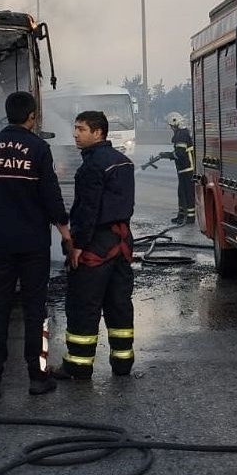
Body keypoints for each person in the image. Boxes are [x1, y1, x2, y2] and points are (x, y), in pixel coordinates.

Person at [0, 91, 73, 398]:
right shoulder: (39, 149)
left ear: (7, 114)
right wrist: (65, 232)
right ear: (31, 116)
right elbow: (51, 196)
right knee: (34, 309)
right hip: (32, 244)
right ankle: (38, 378)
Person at [53, 110, 136, 381]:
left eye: (81, 129)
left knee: (83, 304)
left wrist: (76, 245)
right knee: (119, 303)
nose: (75, 134)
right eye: (75, 129)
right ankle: (123, 363)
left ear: (98, 132)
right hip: (121, 242)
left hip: (96, 245)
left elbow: (86, 211)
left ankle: (78, 365)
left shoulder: (91, 166)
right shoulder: (123, 162)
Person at [165, 112, 196, 225]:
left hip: (188, 169)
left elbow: (180, 153)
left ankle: (190, 218)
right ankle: (181, 215)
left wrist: (168, 155)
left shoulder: (181, 135)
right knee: (181, 193)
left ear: (175, 123)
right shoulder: (181, 133)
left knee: (188, 193)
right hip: (183, 169)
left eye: (171, 126)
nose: (171, 128)